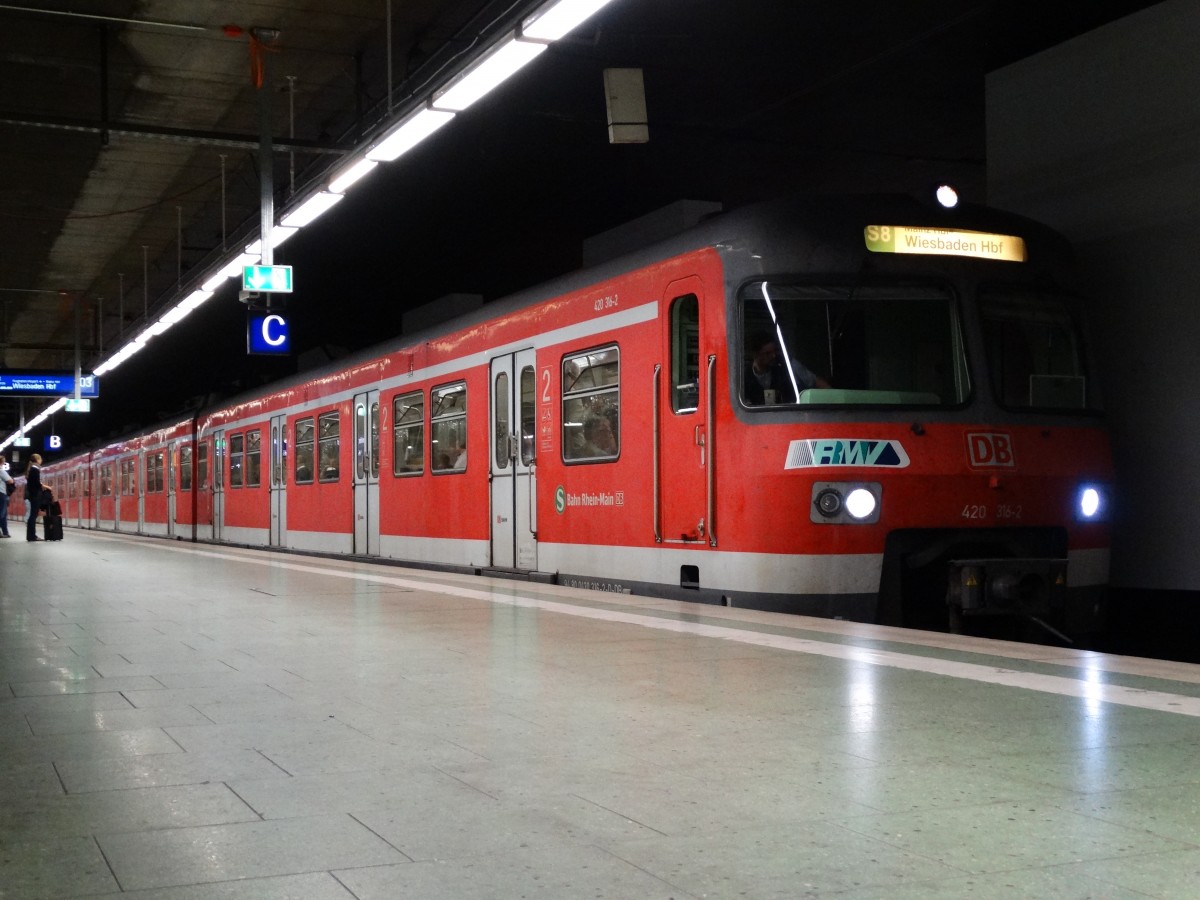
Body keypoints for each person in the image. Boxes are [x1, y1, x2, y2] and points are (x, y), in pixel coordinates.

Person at [744, 331, 830, 405]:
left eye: (775, 351)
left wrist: (835, 398)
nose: (773, 356)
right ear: (755, 354)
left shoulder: (787, 364)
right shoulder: (744, 376)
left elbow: (815, 381)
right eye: (767, 353)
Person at [24, 452, 43, 542]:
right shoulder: (35, 469)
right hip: (35, 495)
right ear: (38, 460)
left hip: (33, 495)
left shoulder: (31, 469)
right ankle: (32, 536)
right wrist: (43, 486)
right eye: (40, 459)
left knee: (33, 515)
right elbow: (36, 484)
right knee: (33, 516)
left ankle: (31, 536)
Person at [0, 453, 13, 538]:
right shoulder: (1, 471)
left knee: (3, 514)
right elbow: (10, 481)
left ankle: (5, 532)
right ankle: (4, 532)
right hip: (1, 493)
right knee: (2, 513)